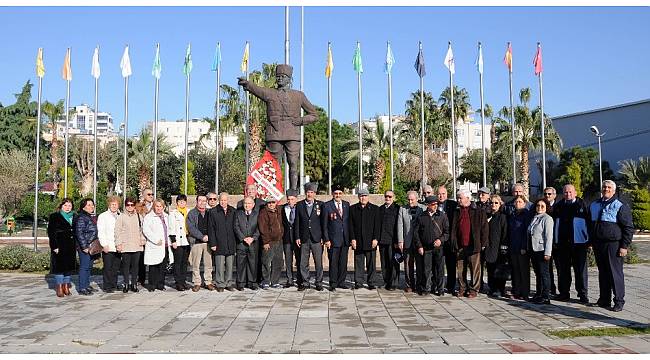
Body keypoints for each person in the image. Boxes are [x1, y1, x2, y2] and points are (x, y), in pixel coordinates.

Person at [238, 64, 318, 191]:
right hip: (274, 134)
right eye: (278, 76)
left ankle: (293, 191)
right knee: (274, 165)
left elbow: (314, 115)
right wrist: (247, 84)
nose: (279, 79)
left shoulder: (299, 95)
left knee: (293, 164)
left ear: (289, 79)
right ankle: (274, 190)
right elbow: (256, 89)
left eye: (283, 76)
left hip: (292, 134)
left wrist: (300, 121)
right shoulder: (270, 93)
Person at [589, 180, 634, 312]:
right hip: (599, 244)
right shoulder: (594, 204)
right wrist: (591, 241)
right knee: (603, 273)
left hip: (614, 244)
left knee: (615, 273)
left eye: (609, 187)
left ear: (614, 190)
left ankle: (619, 301)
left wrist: (624, 246)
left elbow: (628, 228)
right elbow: (591, 224)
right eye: (604, 187)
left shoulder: (620, 205)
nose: (606, 189)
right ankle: (604, 299)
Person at [553, 184, 590, 303]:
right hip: (563, 244)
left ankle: (583, 294)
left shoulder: (582, 205)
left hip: (579, 243)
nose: (568, 194)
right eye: (565, 192)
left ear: (575, 193)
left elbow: (589, 223)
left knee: (581, 270)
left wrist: (588, 240)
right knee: (563, 270)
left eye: (570, 192)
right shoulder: (558, 206)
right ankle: (564, 293)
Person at [451, 190, 489, 298]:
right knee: (460, 268)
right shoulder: (456, 211)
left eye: (460, 198)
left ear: (468, 198)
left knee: (475, 268)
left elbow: (484, 228)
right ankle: (462, 288)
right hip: (460, 245)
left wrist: (483, 243)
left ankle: (474, 289)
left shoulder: (478, 211)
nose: (458, 200)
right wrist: (453, 241)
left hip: (474, 244)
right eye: (458, 198)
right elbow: (453, 228)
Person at [413, 195, 449, 296]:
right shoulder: (422, 217)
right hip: (426, 248)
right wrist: (419, 246)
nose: (435, 206)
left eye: (436, 204)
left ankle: (440, 289)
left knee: (439, 270)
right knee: (426, 269)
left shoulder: (442, 216)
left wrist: (440, 240)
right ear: (428, 205)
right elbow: (416, 233)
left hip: (438, 248)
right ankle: (426, 288)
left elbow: (447, 233)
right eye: (433, 204)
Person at [295, 182, 325, 291]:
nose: (310, 194)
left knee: (318, 262)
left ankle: (318, 283)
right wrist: (297, 237)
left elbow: (323, 223)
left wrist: (324, 237)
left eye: (312, 192)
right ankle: (305, 282)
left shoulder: (321, 205)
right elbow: (297, 223)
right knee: (303, 262)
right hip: (304, 238)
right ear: (305, 193)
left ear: (315, 193)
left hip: (317, 238)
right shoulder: (299, 205)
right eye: (308, 192)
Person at [350, 188, 380, 290]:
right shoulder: (353, 209)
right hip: (358, 241)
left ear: (368, 197)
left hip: (371, 241)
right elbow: (351, 226)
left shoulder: (375, 209)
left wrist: (376, 238)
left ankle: (371, 282)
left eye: (365, 196)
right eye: (361, 196)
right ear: (358, 197)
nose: (363, 198)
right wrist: (353, 239)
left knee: (371, 263)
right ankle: (358, 282)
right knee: (359, 263)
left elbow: (377, 226)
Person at [322, 184, 350, 291]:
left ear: (342, 194)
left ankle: (341, 282)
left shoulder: (346, 205)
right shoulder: (327, 206)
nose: (338, 195)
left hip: (345, 239)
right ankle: (333, 283)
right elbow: (324, 225)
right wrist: (326, 239)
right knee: (333, 262)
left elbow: (348, 223)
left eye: (340, 193)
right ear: (332, 194)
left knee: (343, 262)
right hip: (333, 240)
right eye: (336, 193)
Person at [142, 199, 175, 292]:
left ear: (163, 207)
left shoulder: (167, 216)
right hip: (155, 245)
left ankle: (160, 284)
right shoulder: (149, 217)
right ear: (154, 207)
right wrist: (156, 240)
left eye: (160, 206)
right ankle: (152, 285)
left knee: (162, 266)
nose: (159, 208)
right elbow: (146, 230)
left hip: (165, 245)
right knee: (154, 266)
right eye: (157, 206)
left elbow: (170, 229)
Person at [115, 197, 145, 293]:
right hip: (125, 244)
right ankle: (126, 283)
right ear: (125, 205)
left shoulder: (139, 216)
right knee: (126, 266)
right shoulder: (121, 217)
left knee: (135, 266)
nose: (130, 207)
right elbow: (117, 231)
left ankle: (134, 284)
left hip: (137, 244)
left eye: (132, 205)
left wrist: (143, 240)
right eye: (128, 205)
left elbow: (142, 230)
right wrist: (118, 243)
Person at [208, 192, 237, 292]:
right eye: (221, 200)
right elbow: (211, 229)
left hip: (231, 242)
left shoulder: (233, 211)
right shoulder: (213, 212)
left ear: (227, 200)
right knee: (219, 265)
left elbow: (236, 227)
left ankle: (228, 283)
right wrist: (213, 243)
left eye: (225, 200)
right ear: (219, 200)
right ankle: (220, 284)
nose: (223, 202)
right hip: (219, 242)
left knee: (230, 265)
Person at [397, 190, 425, 293]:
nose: (410, 202)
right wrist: (400, 240)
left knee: (419, 264)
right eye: (408, 199)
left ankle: (419, 284)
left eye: (412, 200)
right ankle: (409, 284)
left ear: (417, 199)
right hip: (407, 241)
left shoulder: (423, 208)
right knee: (408, 264)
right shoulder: (402, 209)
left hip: (419, 242)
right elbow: (400, 225)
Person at [47, 198, 76, 297]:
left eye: (69, 206)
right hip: (59, 245)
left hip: (71, 246)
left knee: (68, 268)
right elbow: (51, 232)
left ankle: (66, 286)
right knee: (59, 267)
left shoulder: (74, 216)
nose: (68, 208)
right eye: (65, 205)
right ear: (61, 206)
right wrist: (54, 246)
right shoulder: (55, 216)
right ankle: (59, 287)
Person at [529, 198, 554, 305]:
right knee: (538, 273)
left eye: (542, 206)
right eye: (538, 205)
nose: (539, 208)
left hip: (542, 249)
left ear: (546, 207)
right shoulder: (534, 218)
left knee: (544, 274)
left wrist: (548, 252)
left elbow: (549, 237)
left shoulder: (547, 219)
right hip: (534, 249)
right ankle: (538, 293)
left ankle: (545, 296)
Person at [187, 194, 215, 292]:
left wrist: (209, 237)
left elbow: (213, 226)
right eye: (200, 200)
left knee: (208, 263)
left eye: (204, 201)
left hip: (208, 242)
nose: (202, 202)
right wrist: (201, 236)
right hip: (196, 242)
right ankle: (197, 282)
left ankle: (208, 281)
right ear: (197, 201)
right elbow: (191, 228)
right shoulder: (191, 213)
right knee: (196, 264)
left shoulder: (210, 212)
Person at [484, 195, 509, 298]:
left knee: (499, 269)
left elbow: (505, 233)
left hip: (499, 248)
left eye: (496, 203)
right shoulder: (487, 216)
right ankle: (492, 288)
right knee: (490, 269)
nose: (493, 205)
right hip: (489, 247)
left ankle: (500, 289)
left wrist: (504, 246)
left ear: (500, 204)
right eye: (491, 203)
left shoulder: (502, 217)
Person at [258, 197, 285, 289]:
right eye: (269, 203)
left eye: (273, 202)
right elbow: (263, 228)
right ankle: (266, 281)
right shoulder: (263, 213)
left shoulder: (279, 210)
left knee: (278, 262)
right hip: (269, 242)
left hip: (279, 241)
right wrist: (265, 242)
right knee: (266, 262)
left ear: (276, 203)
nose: (271, 204)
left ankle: (275, 281)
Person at [376, 190, 400, 291]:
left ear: (393, 197)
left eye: (390, 197)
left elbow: (399, 226)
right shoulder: (380, 209)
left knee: (393, 262)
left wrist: (397, 241)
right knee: (384, 262)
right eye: (386, 196)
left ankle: (393, 283)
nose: (388, 198)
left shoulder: (398, 208)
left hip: (392, 241)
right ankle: (386, 281)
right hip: (382, 240)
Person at [509, 195, 532, 300]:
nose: (517, 204)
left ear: (524, 203)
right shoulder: (513, 215)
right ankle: (517, 292)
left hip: (522, 248)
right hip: (513, 247)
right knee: (516, 271)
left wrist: (524, 247)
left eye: (520, 202)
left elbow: (526, 232)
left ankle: (525, 293)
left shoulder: (526, 215)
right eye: (516, 202)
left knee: (524, 271)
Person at [235, 196, 261, 290]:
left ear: (253, 205)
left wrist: (253, 238)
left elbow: (259, 228)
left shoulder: (257, 214)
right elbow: (236, 227)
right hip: (241, 243)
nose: (247, 205)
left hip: (253, 243)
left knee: (252, 263)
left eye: (249, 203)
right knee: (240, 263)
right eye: (245, 203)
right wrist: (243, 238)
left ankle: (252, 282)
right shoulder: (238, 213)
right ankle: (241, 283)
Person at [73, 198, 98, 296]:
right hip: (85, 246)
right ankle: (82, 287)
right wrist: (84, 247)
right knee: (84, 267)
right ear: (83, 207)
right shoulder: (81, 217)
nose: (91, 207)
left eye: (92, 205)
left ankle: (86, 285)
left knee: (88, 267)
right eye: (88, 205)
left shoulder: (89, 216)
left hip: (91, 246)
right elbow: (79, 233)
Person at [97, 196, 121, 293]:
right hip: (108, 246)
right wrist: (104, 244)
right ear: (109, 205)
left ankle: (114, 284)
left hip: (118, 246)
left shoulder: (120, 216)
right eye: (112, 204)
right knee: (108, 267)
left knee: (116, 267)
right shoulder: (103, 216)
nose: (114, 206)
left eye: (116, 204)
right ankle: (107, 286)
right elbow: (101, 231)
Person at [438, 185, 458, 295]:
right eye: (439, 194)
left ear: (447, 194)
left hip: (450, 240)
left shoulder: (453, 205)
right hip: (438, 240)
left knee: (451, 265)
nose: (441, 196)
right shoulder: (434, 205)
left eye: (443, 194)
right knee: (438, 265)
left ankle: (451, 287)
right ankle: (439, 285)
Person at [168, 194, 190, 291]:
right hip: (177, 241)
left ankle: (183, 281)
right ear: (177, 203)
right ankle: (178, 283)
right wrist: (173, 241)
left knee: (184, 263)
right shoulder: (173, 213)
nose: (182, 203)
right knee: (177, 263)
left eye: (184, 201)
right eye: (180, 201)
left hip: (186, 241)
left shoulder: (188, 212)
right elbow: (171, 228)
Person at [281, 189, 301, 288]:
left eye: (292, 199)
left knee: (299, 259)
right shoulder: (282, 208)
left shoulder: (300, 208)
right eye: (288, 199)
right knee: (288, 260)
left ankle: (299, 279)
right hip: (286, 239)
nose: (290, 201)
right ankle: (289, 279)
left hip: (298, 239)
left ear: (296, 199)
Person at [136, 189, 154, 286]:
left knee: (152, 258)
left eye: (152, 194)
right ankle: (141, 278)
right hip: (142, 235)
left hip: (153, 235)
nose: (151, 196)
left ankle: (152, 279)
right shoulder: (138, 207)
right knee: (141, 259)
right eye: (149, 194)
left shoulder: (156, 206)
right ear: (143, 196)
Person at [543, 186, 558, 296]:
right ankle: (549, 288)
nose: (547, 196)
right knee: (547, 268)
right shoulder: (541, 206)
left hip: (557, 242)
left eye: (549, 194)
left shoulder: (559, 207)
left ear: (554, 195)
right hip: (545, 243)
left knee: (560, 268)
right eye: (545, 194)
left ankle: (562, 291)